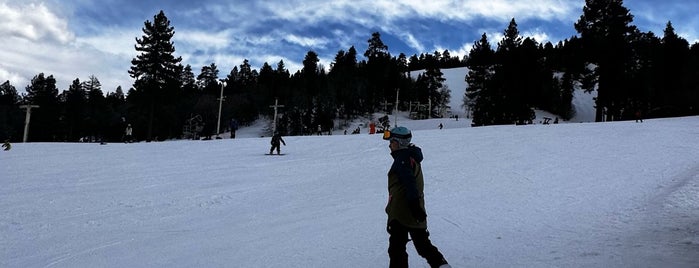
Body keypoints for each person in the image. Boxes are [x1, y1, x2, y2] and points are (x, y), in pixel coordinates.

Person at [383, 126, 450, 268]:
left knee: (397, 248)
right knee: (422, 245)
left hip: (403, 211)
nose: (389, 145)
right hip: (411, 210)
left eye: (392, 141)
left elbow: (409, 182)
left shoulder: (403, 159)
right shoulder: (411, 156)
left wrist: (414, 205)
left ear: (399, 143)